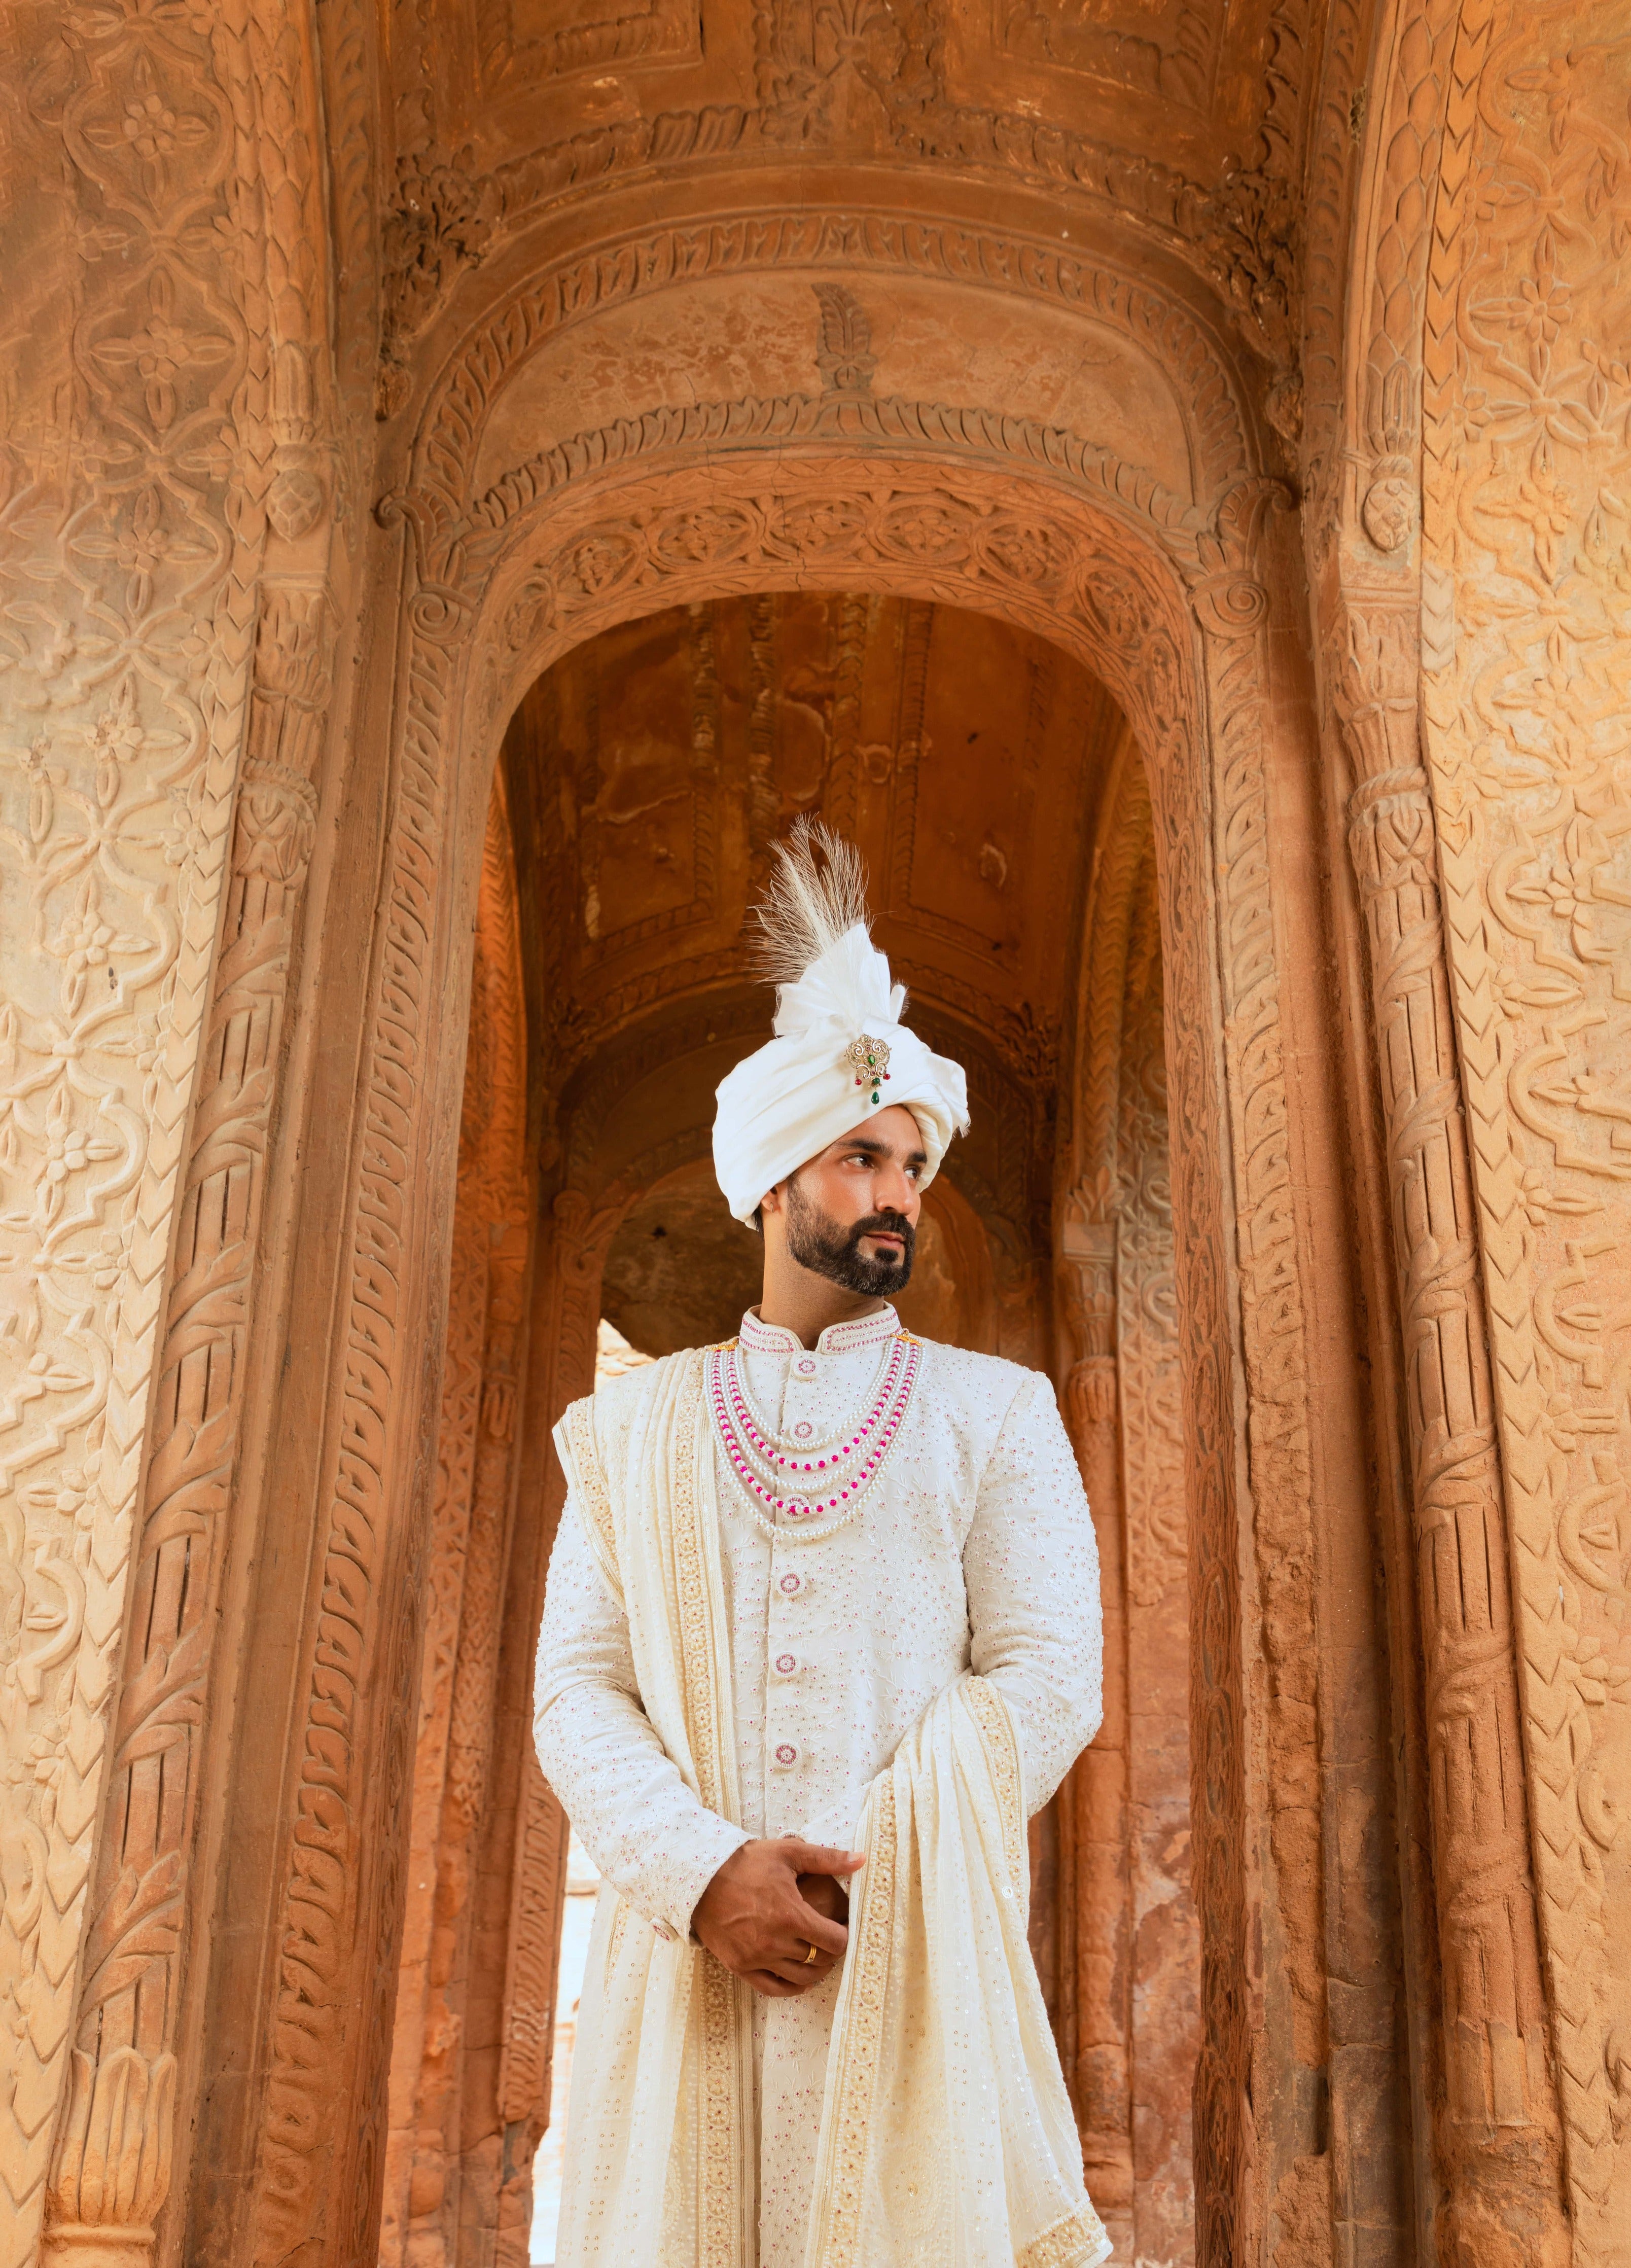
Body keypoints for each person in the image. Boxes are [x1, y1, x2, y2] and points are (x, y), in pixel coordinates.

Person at [533, 823, 1109, 2268]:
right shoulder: (628, 1434)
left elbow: (1051, 1676)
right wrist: (700, 1871)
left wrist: (884, 1866)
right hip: (685, 1986)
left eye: (913, 1162)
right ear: (772, 1185)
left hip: (911, 1986)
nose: (899, 1194)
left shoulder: (1000, 1415)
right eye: (862, 1157)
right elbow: (576, 1691)